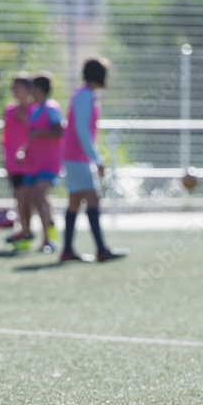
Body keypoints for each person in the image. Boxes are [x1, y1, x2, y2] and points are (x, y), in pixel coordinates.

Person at [60, 57, 127, 263]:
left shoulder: (83, 94)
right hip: (78, 157)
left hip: (72, 155)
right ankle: (101, 250)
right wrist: (96, 159)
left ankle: (67, 250)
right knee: (93, 200)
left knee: (74, 201)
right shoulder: (86, 96)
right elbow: (82, 130)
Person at [22, 71, 63, 254]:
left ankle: (47, 240)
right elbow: (31, 135)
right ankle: (50, 229)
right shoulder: (33, 109)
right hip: (35, 163)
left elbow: (60, 131)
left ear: (38, 89)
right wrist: (23, 150)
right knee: (36, 198)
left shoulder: (51, 107)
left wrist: (41, 133)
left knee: (39, 196)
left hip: (50, 162)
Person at [2, 73, 34, 249]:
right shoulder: (9, 110)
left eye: (18, 87)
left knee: (33, 199)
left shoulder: (35, 110)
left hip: (33, 162)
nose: (14, 90)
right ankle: (25, 230)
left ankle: (34, 230)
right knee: (20, 197)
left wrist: (26, 120)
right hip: (16, 164)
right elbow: (5, 138)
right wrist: (6, 160)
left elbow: (37, 133)